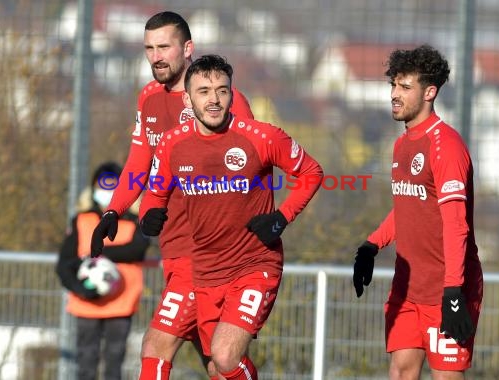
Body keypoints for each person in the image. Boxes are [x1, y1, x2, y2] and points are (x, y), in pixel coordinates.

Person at [90, 11, 255, 380]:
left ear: (188, 48)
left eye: (164, 47)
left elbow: (253, 172)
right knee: (216, 361)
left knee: (157, 347)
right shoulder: (148, 98)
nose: (156, 56)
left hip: (211, 254)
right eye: (149, 48)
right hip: (174, 248)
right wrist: (113, 211)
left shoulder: (221, 101)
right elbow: (138, 163)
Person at [137, 54, 323, 380]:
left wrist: (281, 217)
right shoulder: (172, 144)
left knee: (225, 356)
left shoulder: (262, 136)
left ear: (231, 95)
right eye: (204, 91)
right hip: (205, 271)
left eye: (222, 91)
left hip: (254, 266)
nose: (214, 100)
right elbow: (156, 191)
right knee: (216, 367)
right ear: (187, 98)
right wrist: (151, 213)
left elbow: (311, 172)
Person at [352, 45, 483, 380]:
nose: (395, 95)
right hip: (408, 288)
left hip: (448, 289)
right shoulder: (402, 144)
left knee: (446, 377)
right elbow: (407, 205)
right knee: (400, 371)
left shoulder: (447, 146)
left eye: (404, 87)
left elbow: (457, 226)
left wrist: (454, 291)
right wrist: (371, 245)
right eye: (393, 86)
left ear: (429, 92)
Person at [56, 161, 149, 380]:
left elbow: (138, 249)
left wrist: (99, 252)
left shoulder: (135, 220)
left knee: (114, 363)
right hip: (87, 303)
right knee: (86, 363)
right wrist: (80, 288)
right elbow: (64, 264)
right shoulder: (81, 220)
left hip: (121, 303)